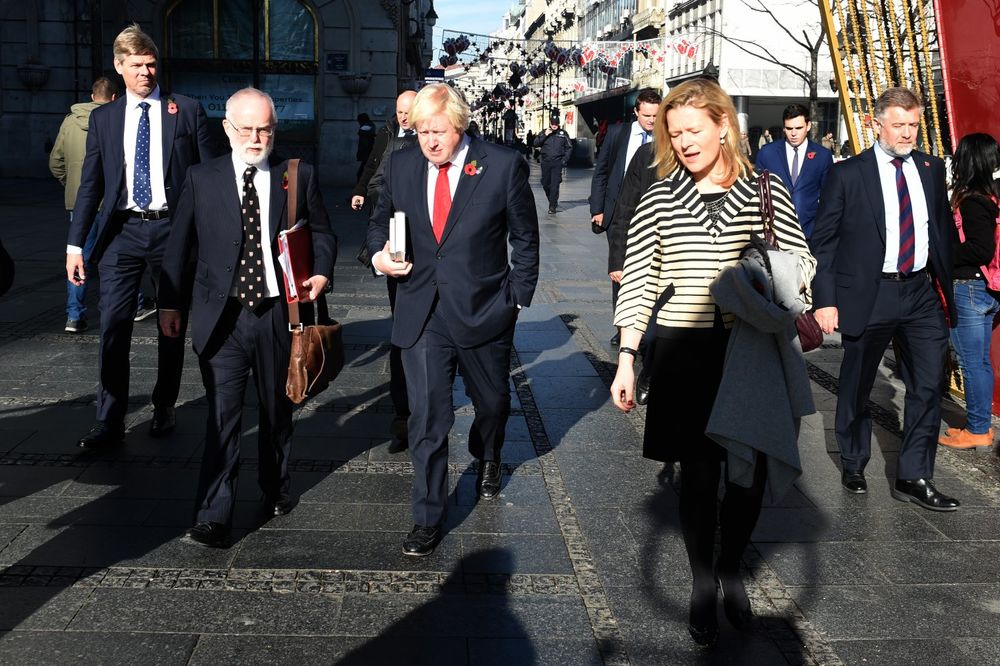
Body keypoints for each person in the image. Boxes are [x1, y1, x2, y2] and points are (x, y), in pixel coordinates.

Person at [609, 78, 815, 647]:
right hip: (682, 348)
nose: (684, 143)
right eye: (674, 135)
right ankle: (704, 581)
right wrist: (627, 357)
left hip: (748, 349)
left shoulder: (766, 188)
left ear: (724, 126)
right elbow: (641, 280)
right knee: (699, 476)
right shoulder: (657, 194)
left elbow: (800, 259)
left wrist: (764, 278)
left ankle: (731, 569)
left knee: (745, 473)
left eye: (693, 131)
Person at [158, 87, 336, 548]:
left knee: (277, 410)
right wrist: (170, 304)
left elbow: (322, 233)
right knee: (222, 416)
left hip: (279, 314)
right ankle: (213, 514)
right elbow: (178, 248)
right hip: (222, 315)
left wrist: (320, 273)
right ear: (227, 128)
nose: (256, 137)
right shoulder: (201, 178)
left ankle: (275, 484)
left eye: (266, 129)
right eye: (248, 128)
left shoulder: (297, 176)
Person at [367, 83, 539, 557]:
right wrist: (381, 255)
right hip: (422, 309)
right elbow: (381, 219)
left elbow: (525, 237)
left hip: (485, 308)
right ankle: (427, 516)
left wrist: (516, 298)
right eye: (421, 131)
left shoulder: (501, 165)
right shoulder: (401, 164)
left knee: (491, 403)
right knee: (428, 417)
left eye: (438, 131)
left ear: (459, 125)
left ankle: (489, 454)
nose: (430, 141)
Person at [66, 23, 216, 448]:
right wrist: (75, 244)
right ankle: (109, 420)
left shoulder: (184, 110)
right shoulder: (105, 119)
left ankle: (165, 403)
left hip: (172, 232)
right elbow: (91, 184)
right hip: (122, 234)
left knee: (171, 325)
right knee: (112, 326)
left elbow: (209, 174)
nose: (146, 73)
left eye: (151, 65)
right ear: (119, 66)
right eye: (136, 65)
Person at [811, 87, 960, 511]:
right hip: (869, 293)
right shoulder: (848, 174)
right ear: (877, 124)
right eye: (899, 125)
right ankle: (854, 460)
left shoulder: (930, 169)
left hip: (919, 293)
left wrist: (948, 284)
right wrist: (825, 299)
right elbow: (823, 242)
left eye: (914, 125)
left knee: (929, 386)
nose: (908, 133)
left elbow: (941, 232)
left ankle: (915, 475)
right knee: (857, 387)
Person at [351, 90, 418, 454]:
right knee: (403, 326)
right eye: (400, 112)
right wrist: (381, 252)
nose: (405, 118)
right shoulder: (389, 137)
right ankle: (403, 416)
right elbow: (372, 164)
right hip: (398, 232)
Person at [938, 133, 1000, 449]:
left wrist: (943, 254)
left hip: (970, 287)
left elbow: (980, 249)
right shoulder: (992, 197)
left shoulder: (974, 201)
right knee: (981, 361)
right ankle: (977, 424)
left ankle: (977, 430)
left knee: (971, 362)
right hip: (987, 291)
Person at [590, 88, 662, 346]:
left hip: (652, 215)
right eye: (646, 115)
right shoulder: (619, 134)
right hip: (618, 213)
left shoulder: (665, 138)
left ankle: (646, 327)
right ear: (636, 112)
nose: (651, 120)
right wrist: (597, 209)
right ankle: (622, 327)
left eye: (655, 115)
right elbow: (602, 171)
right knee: (620, 270)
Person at [49, 76, 117, 334]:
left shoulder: (70, 121)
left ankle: (74, 316)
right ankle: (131, 305)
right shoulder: (116, 119)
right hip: (110, 202)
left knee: (78, 258)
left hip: (78, 203)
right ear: (114, 98)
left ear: (91, 96)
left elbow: (56, 162)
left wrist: (72, 184)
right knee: (118, 257)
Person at [755, 103, 833, 241]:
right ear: (784, 128)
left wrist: (819, 229)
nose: (794, 133)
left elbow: (829, 198)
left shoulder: (822, 156)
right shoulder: (767, 153)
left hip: (809, 235)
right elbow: (757, 193)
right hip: (773, 235)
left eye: (798, 128)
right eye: (789, 128)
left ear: (808, 126)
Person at [533, 116, 572, 214]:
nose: (554, 125)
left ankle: (552, 206)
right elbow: (535, 143)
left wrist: (564, 160)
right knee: (545, 183)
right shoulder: (544, 132)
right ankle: (552, 199)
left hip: (557, 162)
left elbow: (569, 147)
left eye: (556, 123)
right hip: (545, 162)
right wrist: (544, 135)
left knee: (554, 184)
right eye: (553, 123)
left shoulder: (563, 134)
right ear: (550, 123)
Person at [355, 112, 376, 181]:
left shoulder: (364, 129)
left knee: (361, 174)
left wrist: (361, 154)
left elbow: (364, 144)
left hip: (367, 155)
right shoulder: (370, 127)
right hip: (369, 154)